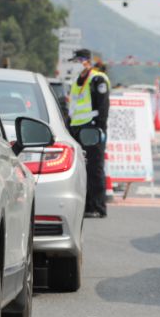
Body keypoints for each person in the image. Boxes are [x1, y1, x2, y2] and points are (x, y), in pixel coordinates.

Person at [68, 48, 111, 218]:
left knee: (94, 168)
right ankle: (85, 205)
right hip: (77, 128)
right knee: (81, 169)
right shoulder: (77, 80)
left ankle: (98, 206)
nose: (75, 64)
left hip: (92, 128)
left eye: (78, 61)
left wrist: (99, 127)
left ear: (86, 61)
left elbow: (103, 106)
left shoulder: (97, 79)